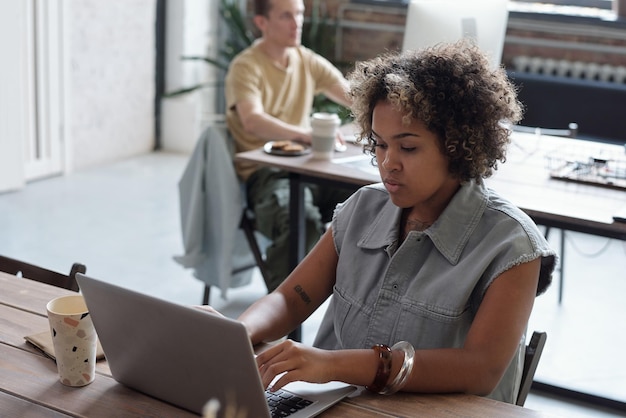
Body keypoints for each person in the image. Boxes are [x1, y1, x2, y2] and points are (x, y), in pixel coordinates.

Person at [209, 40, 557, 404]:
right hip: (339, 408)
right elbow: (291, 300)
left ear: (457, 146)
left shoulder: (512, 246)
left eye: (407, 148)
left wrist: (334, 365)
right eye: (378, 144)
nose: (388, 163)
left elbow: (478, 370)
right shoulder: (363, 208)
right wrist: (235, 332)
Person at [225, 0, 353, 292]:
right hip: (266, 174)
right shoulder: (245, 66)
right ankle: (280, 320)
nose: (297, 23)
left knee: (376, 200)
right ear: (262, 22)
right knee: (301, 221)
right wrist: (305, 134)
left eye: (299, 14)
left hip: (309, 168)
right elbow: (252, 120)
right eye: (286, 16)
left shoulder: (306, 59)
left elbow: (353, 95)